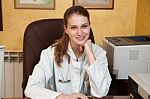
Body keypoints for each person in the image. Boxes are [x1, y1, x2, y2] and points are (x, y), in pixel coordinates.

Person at [24, 5, 112, 99]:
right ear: (66, 29)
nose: (80, 33)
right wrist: (61, 96)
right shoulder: (50, 53)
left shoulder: (99, 53)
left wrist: (90, 54)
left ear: (89, 26)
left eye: (84, 26)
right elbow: (31, 88)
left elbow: (101, 92)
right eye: (74, 27)